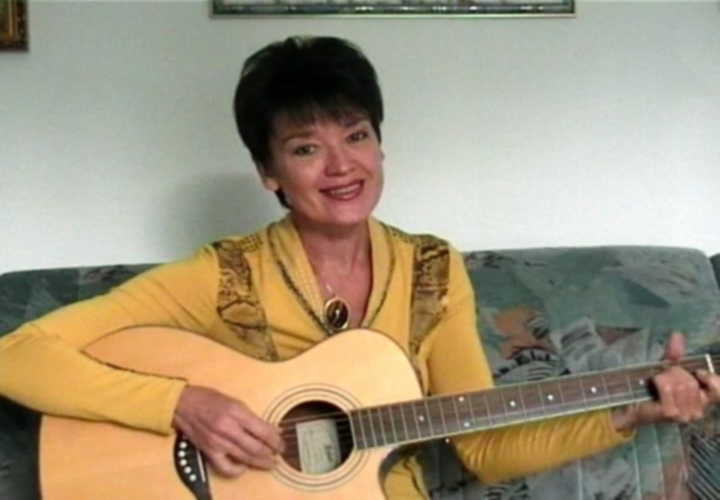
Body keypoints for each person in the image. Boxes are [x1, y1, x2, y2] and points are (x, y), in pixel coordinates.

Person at [1, 36, 719, 499]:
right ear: (269, 174)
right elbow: (17, 355)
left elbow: (483, 448)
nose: (342, 165)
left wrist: (631, 411)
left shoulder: (431, 269)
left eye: (357, 135)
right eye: (306, 148)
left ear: (380, 144)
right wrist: (182, 405)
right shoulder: (227, 275)